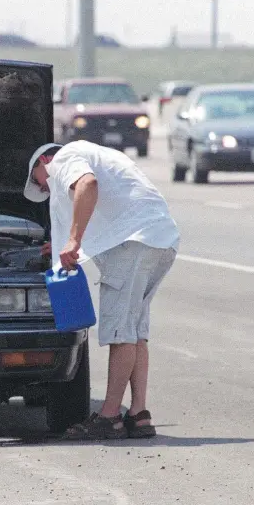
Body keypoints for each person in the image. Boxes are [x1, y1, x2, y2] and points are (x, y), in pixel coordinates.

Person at [24, 140, 180, 439]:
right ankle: (138, 413)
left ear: (43, 160)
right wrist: (59, 243)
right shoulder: (99, 153)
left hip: (133, 244)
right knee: (134, 331)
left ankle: (109, 417)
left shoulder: (64, 157)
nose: (44, 189)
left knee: (120, 333)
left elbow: (88, 185)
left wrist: (72, 240)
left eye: (38, 182)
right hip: (161, 238)